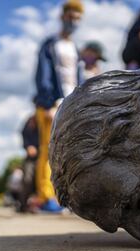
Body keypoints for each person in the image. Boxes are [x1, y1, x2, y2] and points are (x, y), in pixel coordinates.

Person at [34, 0, 84, 213]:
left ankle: (68, 196)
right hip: (52, 104)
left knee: (71, 152)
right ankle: (47, 197)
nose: (73, 21)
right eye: (70, 17)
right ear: (62, 17)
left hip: (71, 103)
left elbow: (78, 77)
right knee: (48, 151)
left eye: (77, 19)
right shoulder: (50, 44)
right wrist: (48, 103)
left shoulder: (75, 48)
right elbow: (43, 75)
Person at [19, 114, 39, 213]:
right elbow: (23, 134)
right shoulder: (30, 122)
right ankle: (23, 205)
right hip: (31, 159)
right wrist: (28, 146)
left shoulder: (47, 121)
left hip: (45, 157)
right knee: (27, 179)